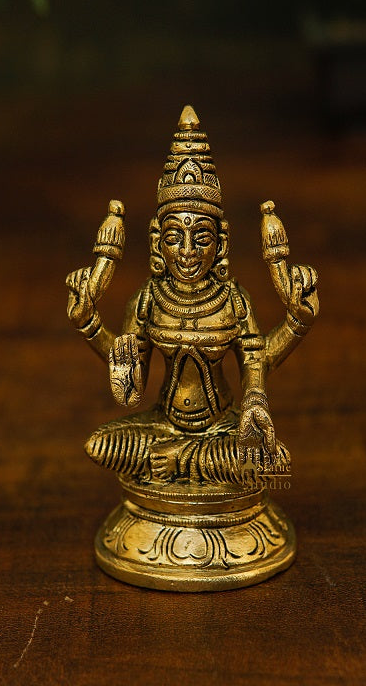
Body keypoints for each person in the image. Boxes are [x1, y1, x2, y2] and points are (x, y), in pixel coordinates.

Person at [66, 105, 318, 487]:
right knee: (101, 443)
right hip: (163, 423)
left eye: (201, 237)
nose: (186, 252)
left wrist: (298, 321)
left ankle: (180, 459)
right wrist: (89, 323)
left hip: (222, 426)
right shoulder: (148, 301)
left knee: (270, 457)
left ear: (221, 242)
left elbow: (258, 361)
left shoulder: (233, 301)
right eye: (174, 237)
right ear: (157, 241)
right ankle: (185, 457)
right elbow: (131, 387)